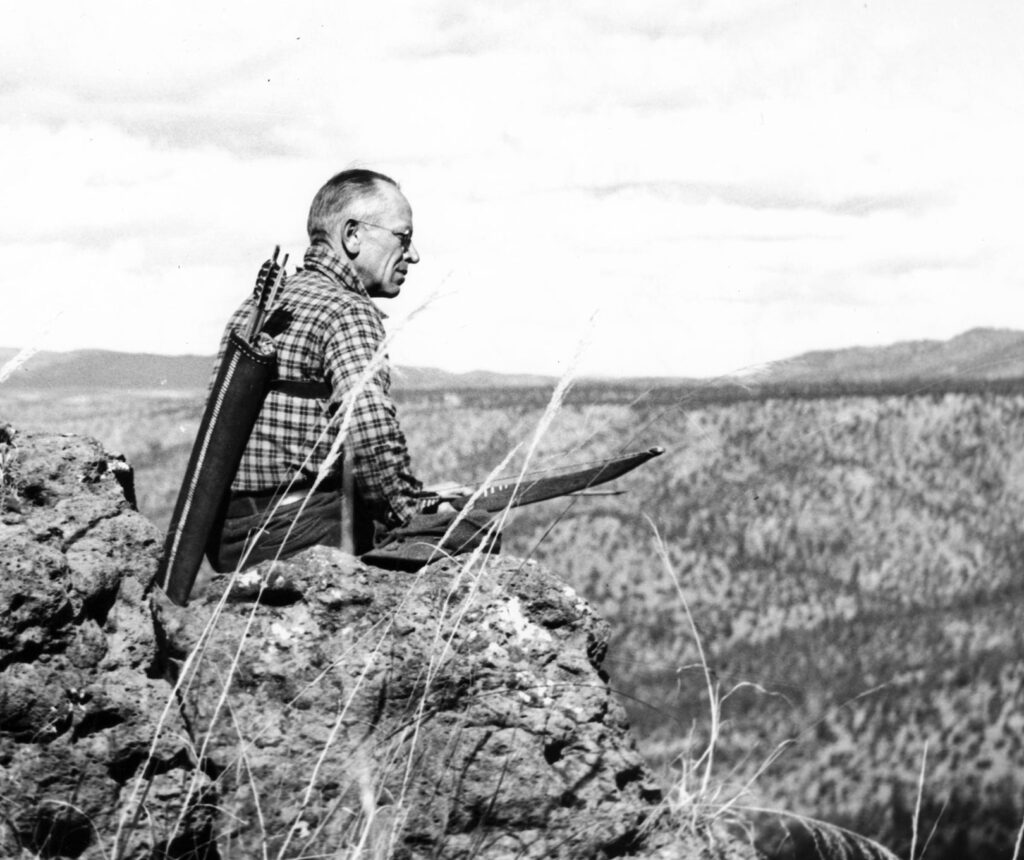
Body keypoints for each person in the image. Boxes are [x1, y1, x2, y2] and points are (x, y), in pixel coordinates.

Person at [206, 168, 479, 571]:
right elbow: (367, 434)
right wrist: (411, 511)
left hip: (230, 538)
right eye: (403, 238)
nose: (414, 254)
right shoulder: (347, 311)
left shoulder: (255, 307)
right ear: (352, 235)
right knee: (472, 530)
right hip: (300, 534)